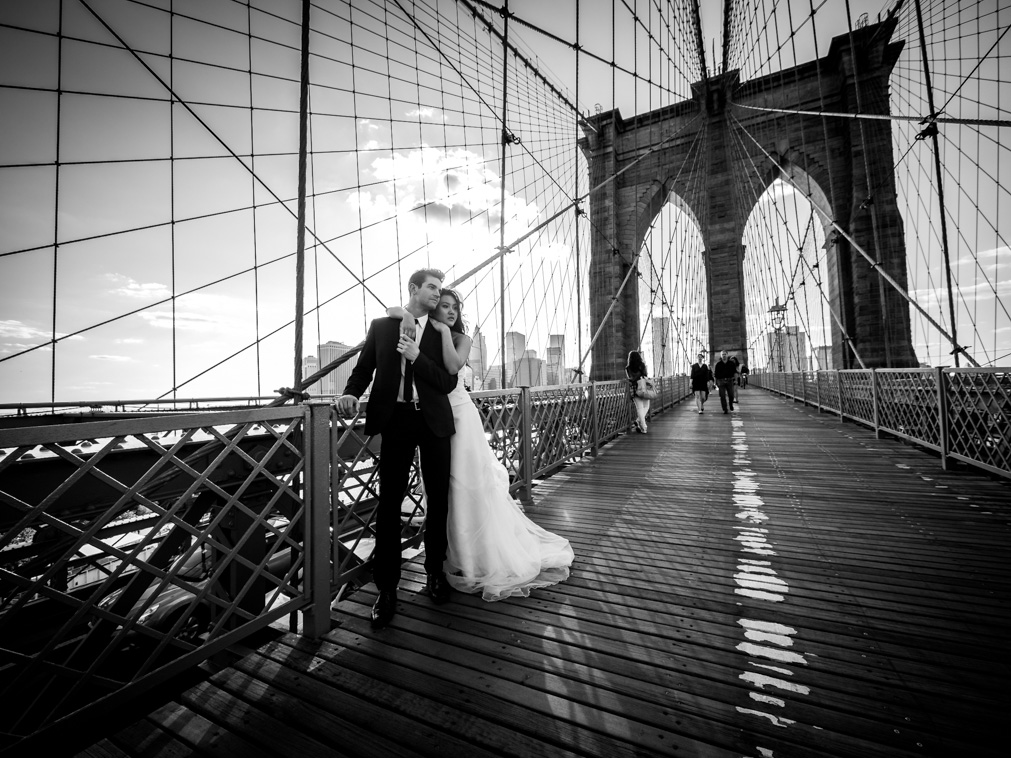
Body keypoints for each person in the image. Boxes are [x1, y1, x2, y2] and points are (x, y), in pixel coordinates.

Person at [391, 290, 573, 602]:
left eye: (454, 307)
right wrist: (407, 315)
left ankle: (474, 559)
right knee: (443, 490)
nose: (449, 311)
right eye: (443, 306)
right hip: (432, 417)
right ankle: (453, 556)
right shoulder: (419, 330)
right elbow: (394, 309)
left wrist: (446, 331)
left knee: (467, 485)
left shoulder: (460, 337)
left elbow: (451, 369)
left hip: (460, 417)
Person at [336, 269, 458, 629]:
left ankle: (434, 573)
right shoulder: (383, 326)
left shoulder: (440, 332)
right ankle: (385, 589)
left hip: (433, 420)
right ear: (414, 289)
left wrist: (418, 355)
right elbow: (364, 369)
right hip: (397, 420)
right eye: (432, 287)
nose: (438, 294)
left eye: (440, 288)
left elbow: (447, 381)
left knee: (438, 499)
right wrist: (350, 394)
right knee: (389, 505)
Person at [625, 350, 650, 434]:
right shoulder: (642, 365)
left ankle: (644, 427)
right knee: (646, 406)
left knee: (639, 408)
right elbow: (645, 375)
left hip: (634, 389)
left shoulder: (628, 368)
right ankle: (639, 421)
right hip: (643, 387)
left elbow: (630, 378)